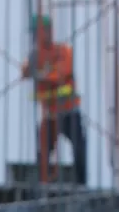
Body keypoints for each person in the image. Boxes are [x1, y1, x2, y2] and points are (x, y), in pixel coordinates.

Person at [23, 15, 86, 186]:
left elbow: (60, 74)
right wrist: (32, 69)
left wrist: (42, 74)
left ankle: (80, 184)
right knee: (43, 151)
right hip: (50, 114)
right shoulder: (36, 55)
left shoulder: (62, 51)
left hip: (68, 112)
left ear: (48, 31)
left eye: (38, 32)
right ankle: (44, 182)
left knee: (79, 148)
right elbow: (25, 72)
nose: (35, 37)